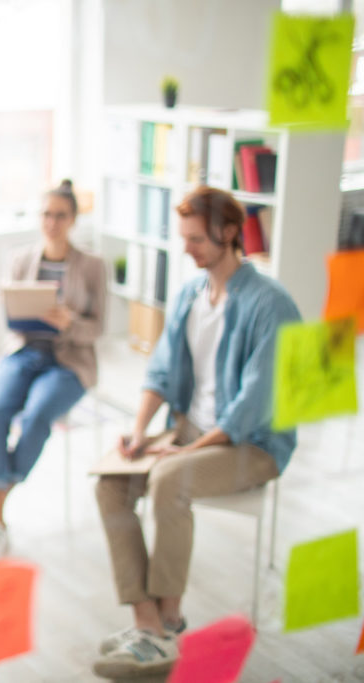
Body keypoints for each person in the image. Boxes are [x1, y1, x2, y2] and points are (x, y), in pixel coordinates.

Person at [92, 186, 300, 679]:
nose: (185, 247)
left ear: (229, 233)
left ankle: (166, 624)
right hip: (188, 430)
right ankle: (147, 624)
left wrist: (182, 455)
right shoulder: (189, 294)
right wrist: (140, 434)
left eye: (195, 238)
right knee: (110, 485)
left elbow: (251, 408)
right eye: (182, 237)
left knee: (171, 481)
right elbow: (161, 374)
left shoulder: (271, 304)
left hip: (252, 444)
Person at [0, 179, 106, 563]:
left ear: (73, 219)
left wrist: (70, 322)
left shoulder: (92, 266)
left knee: (38, 415)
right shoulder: (21, 259)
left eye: (60, 215)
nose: (52, 223)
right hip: (24, 352)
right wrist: (16, 308)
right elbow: (12, 325)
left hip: (69, 359)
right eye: (46, 214)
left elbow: (99, 328)